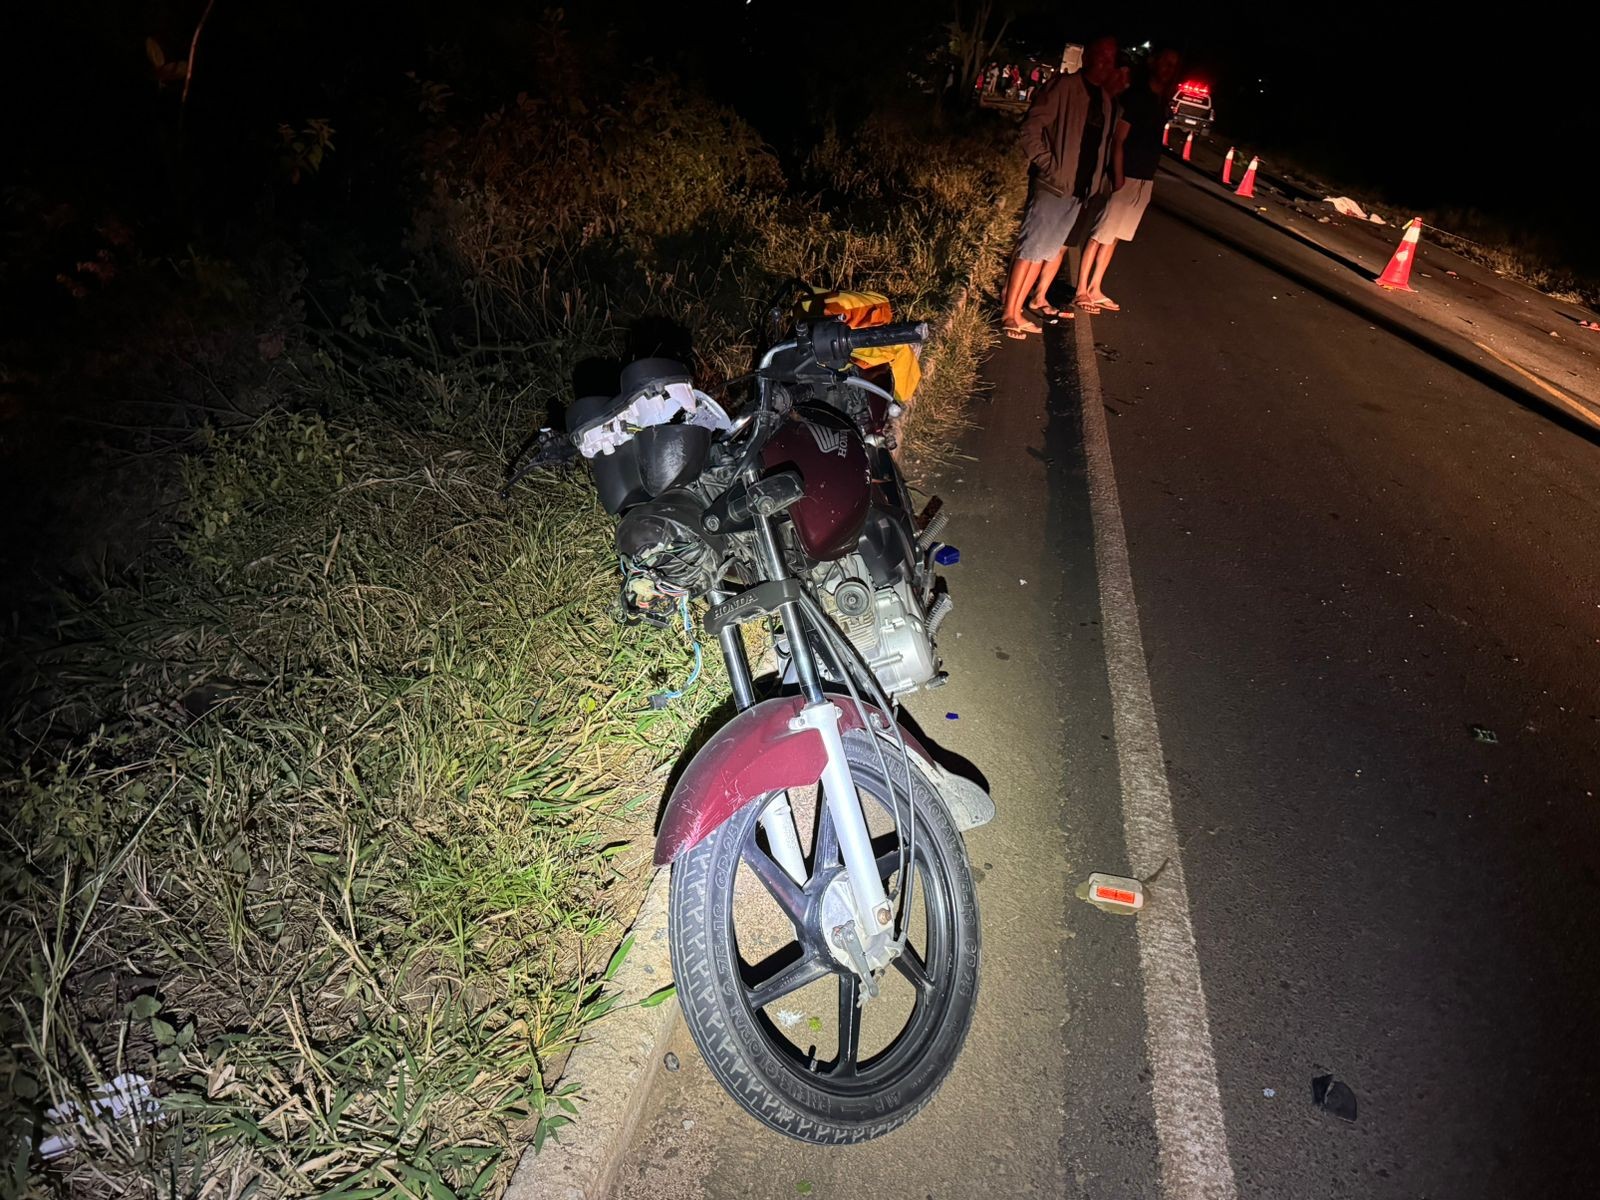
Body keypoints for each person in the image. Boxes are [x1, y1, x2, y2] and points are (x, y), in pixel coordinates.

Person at [999, 35, 1118, 338]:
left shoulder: (1104, 101)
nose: (1106, 63)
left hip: (1079, 192)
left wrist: (1097, 185)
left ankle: (1020, 310)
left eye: (1111, 58)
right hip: (1054, 186)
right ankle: (1009, 313)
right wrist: (1049, 166)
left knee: (1044, 252)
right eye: (1101, 55)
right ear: (1087, 57)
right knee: (1030, 249)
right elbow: (1031, 128)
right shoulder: (1065, 87)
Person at [1075, 48, 1183, 314]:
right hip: (1126, 177)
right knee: (1100, 234)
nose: (1169, 69)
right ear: (1155, 63)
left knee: (1115, 236)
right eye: (1166, 63)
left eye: (1174, 65)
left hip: (1145, 179)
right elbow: (1118, 139)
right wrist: (1118, 178)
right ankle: (1080, 290)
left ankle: (1095, 287)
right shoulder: (1138, 96)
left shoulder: (1162, 100)